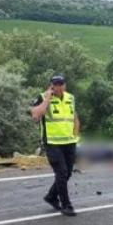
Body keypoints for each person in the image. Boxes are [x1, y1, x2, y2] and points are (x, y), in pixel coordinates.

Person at [31, 74, 80, 216]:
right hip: (52, 142)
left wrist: (76, 134)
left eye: (61, 84)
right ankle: (66, 205)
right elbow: (35, 115)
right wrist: (47, 99)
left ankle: (51, 197)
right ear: (51, 85)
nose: (58, 87)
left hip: (69, 142)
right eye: (55, 84)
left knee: (68, 173)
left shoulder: (70, 97)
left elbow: (74, 117)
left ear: (65, 85)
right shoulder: (42, 97)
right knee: (62, 172)